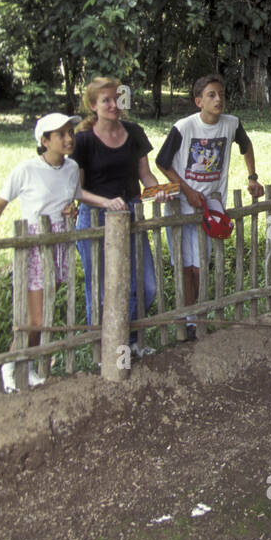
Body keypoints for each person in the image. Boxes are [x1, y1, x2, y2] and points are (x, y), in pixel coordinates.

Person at [0, 113, 104, 391]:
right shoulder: (26, 170)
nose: (68, 139)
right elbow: (0, 203)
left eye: (70, 132)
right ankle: (11, 366)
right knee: (36, 318)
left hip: (60, 245)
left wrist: (70, 210)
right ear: (44, 140)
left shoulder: (72, 167)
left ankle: (27, 368)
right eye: (60, 134)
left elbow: (71, 198)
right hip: (35, 247)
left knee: (46, 311)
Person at [155, 75, 264, 339]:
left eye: (221, 94)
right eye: (212, 95)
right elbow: (162, 162)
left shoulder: (231, 124)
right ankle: (189, 319)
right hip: (182, 206)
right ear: (198, 101)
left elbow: (246, 145)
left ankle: (199, 316)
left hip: (212, 206)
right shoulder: (183, 127)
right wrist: (187, 190)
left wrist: (252, 177)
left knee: (201, 263)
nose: (218, 99)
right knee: (185, 265)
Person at [72, 77, 166, 359]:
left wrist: (158, 191)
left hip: (131, 214)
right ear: (93, 106)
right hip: (95, 218)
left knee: (145, 285)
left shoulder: (135, 132)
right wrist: (105, 202)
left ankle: (133, 342)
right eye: (106, 100)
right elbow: (77, 190)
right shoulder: (83, 141)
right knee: (100, 288)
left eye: (116, 99)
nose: (114, 105)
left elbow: (146, 176)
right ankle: (104, 351)